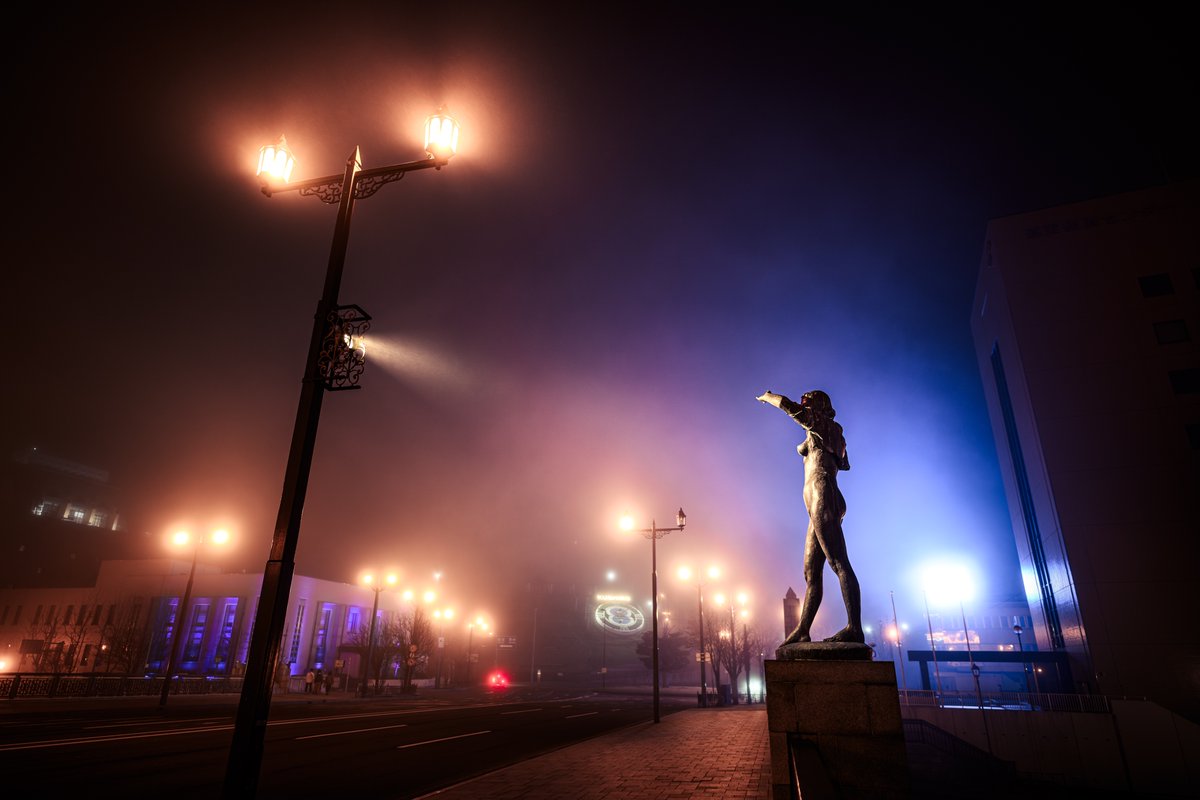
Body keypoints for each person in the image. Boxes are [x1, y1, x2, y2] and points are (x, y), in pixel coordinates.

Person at [757, 389, 863, 644]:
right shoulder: (825, 431)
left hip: (822, 493)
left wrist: (768, 396)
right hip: (817, 499)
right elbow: (843, 461)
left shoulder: (824, 425)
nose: (803, 402)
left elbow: (790, 408)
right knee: (811, 573)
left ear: (819, 405)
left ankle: (854, 628)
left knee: (838, 562)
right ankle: (803, 629)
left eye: (808, 400)